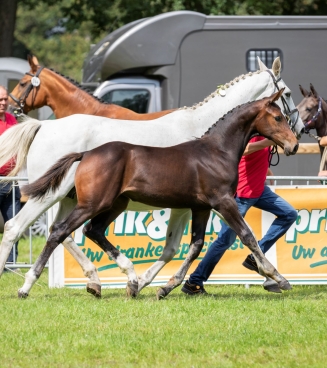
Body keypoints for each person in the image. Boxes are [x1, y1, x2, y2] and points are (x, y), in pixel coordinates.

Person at [181, 136, 298, 295]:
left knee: (289, 214)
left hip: (260, 191)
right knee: (225, 240)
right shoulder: (257, 132)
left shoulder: (269, 131)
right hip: (241, 194)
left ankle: (256, 258)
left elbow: (259, 155)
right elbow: (244, 150)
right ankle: (194, 282)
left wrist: (267, 171)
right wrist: (269, 141)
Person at [0, 85, 21, 268]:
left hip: (11, 181)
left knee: (13, 222)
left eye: (5, 99)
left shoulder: (12, 120)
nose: (3, 103)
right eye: (0, 100)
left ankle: (11, 263)